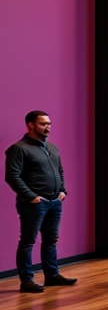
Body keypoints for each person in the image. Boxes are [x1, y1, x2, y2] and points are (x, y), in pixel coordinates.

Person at [6, 111, 76, 294]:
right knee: (28, 241)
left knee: (51, 240)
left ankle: (52, 275)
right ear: (30, 125)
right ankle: (26, 280)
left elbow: (60, 170)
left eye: (49, 123)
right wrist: (31, 196)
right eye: (43, 124)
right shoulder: (19, 149)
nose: (48, 127)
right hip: (34, 203)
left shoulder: (52, 148)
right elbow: (12, 176)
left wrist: (63, 191)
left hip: (55, 201)